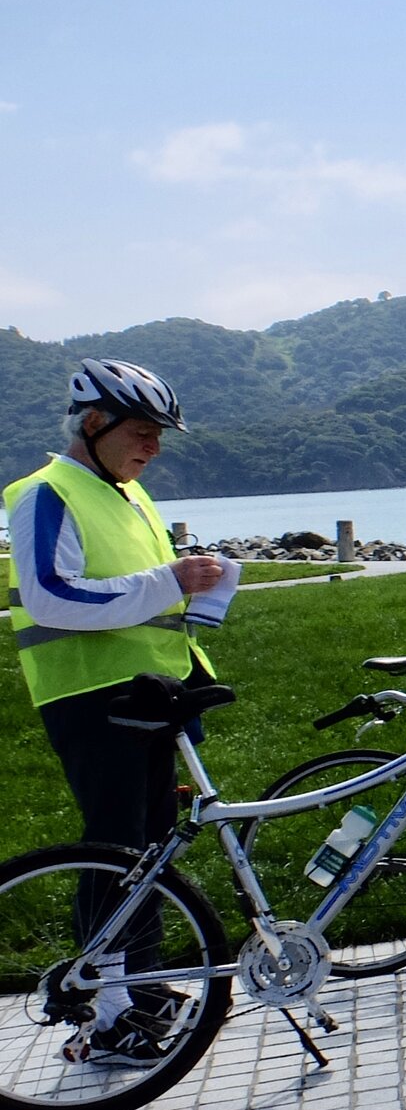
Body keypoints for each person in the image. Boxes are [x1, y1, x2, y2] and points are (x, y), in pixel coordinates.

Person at [4, 359, 229, 1063]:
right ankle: (102, 1011)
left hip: (148, 693)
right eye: (142, 431)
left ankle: (141, 988)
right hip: (90, 696)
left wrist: (196, 584)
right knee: (115, 850)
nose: (154, 447)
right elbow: (49, 596)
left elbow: (141, 592)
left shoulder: (128, 493)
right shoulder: (45, 492)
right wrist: (170, 580)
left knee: (149, 850)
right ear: (94, 423)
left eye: (159, 435)